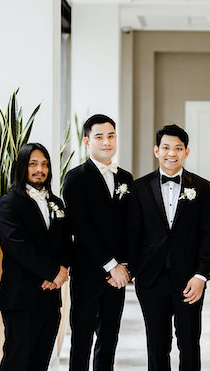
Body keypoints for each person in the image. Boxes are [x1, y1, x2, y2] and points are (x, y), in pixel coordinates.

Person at [127, 124, 210, 371]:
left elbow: (208, 234)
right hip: (151, 279)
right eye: (166, 147)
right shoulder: (140, 187)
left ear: (187, 152)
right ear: (156, 150)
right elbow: (132, 233)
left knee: (189, 343)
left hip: (189, 279)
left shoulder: (202, 187)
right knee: (156, 344)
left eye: (178, 148)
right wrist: (135, 271)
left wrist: (201, 275)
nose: (171, 153)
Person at [62, 114, 133, 371]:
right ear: (87, 141)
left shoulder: (126, 178)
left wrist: (124, 266)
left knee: (109, 337)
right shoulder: (75, 178)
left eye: (111, 136)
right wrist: (110, 264)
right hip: (88, 272)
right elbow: (81, 227)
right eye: (99, 136)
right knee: (81, 338)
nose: (106, 142)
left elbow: (130, 227)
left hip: (118, 276)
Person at [0, 143, 71, 371]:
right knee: (16, 361)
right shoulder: (8, 204)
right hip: (20, 298)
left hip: (50, 298)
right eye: (33, 164)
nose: (40, 169)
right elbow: (18, 247)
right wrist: (52, 272)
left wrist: (63, 268)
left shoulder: (56, 203)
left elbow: (66, 240)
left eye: (44, 164)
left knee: (41, 362)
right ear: (22, 167)